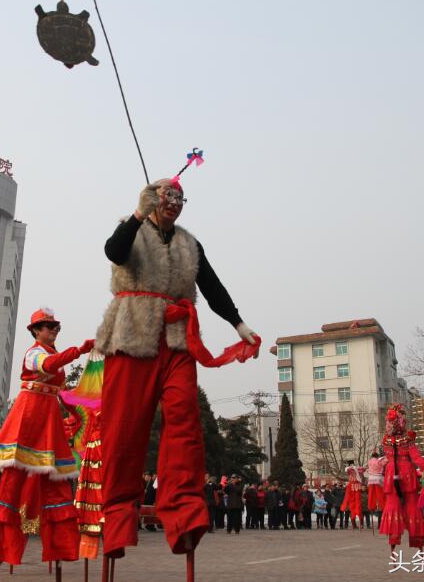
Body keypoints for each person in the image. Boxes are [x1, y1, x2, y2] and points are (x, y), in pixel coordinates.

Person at [96, 177, 259, 563]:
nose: (174, 204)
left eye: (180, 199)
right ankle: (117, 519)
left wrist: (238, 324)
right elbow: (113, 252)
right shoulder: (132, 228)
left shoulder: (190, 243)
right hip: (133, 334)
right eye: (168, 197)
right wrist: (137, 212)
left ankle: (184, 515)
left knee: (185, 421)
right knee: (124, 428)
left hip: (176, 338)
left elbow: (212, 285)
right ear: (154, 199)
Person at [0, 307, 92, 568]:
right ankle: (4, 550)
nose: (53, 329)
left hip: (48, 416)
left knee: (55, 483)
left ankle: (61, 548)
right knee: (13, 482)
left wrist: (80, 413)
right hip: (29, 416)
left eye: (55, 326)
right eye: (48, 325)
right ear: (36, 331)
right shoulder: (34, 353)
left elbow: (63, 392)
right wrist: (78, 350)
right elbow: (47, 366)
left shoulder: (54, 356)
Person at [379, 403, 424, 551]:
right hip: (407, 473)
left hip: (391, 473)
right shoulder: (408, 438)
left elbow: (387, 457)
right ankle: (418, 546)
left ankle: (393, 545)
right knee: (412, 506)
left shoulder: (386, 440)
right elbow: (416, 457)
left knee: (392, 506)